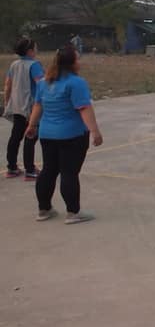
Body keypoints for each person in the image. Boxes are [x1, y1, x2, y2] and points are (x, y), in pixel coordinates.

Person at [25, 45, 104, 223]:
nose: (80, 62)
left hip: (47, 134)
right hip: (72, 135)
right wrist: (95, 131)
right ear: (71, 63)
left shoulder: (44, 82)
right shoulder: (76, 82)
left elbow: (38, 105)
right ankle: (73, 212)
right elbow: (84, 108)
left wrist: (32, 125)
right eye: (78, 59)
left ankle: (44, 209)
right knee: (69, 172)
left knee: (48, 170)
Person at [4, 38, 44, 179]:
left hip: (17, 106)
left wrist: (7, 102)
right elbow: (41, 85)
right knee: (30, 136)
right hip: (30, 107)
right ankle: (30, 170)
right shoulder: (34, 65)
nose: (37, 50)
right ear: (30, 51)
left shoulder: (14, 64)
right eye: (35, 48)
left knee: (15, 137)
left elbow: (8, 85)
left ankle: (12, 167)